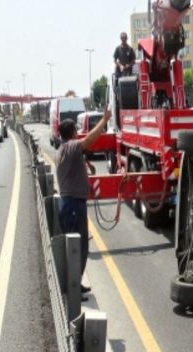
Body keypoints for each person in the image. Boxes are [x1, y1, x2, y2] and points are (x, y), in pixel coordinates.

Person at [56, 106, 112, 300]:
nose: (78, 133)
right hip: (73, 206)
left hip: (70, 204)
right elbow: (88, 141)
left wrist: (85, 164)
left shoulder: (64, 149)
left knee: (77, 247)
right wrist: (104, 121)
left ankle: (76, 284)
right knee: (77, 248)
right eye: (76, 131)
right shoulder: (71, 147)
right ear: (72, 133)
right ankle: (73, 291)